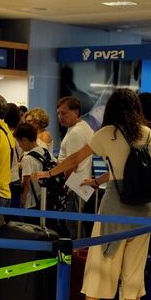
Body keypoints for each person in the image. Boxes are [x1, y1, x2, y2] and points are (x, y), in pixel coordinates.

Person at [33, 89, 151, 300]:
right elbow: (133, 172)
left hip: (114, 207)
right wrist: (99, 179)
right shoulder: (147, 134)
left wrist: (48, 173)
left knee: (101, 262)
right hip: (144, 209)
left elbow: (75, 159)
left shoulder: (106, 134)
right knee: (134, 267)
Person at [57, 96, 94, 239]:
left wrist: (67, 185)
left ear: (76, 112)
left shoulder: (76, 133)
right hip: (81, 183)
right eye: (59, 113)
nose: (61, 117)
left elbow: (72, 163)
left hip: (75, 184)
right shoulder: (83, 127)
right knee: (78, 226)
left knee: (74, 227)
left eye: (64, 113)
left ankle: (76, 257)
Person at [14, 122, 47, 210]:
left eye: (19, 142)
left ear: (24, 140)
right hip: (44, 198)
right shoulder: (44, 151)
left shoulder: (28, 158)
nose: (19, 146)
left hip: (32, 202)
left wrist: (22, 199)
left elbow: (26, 183)